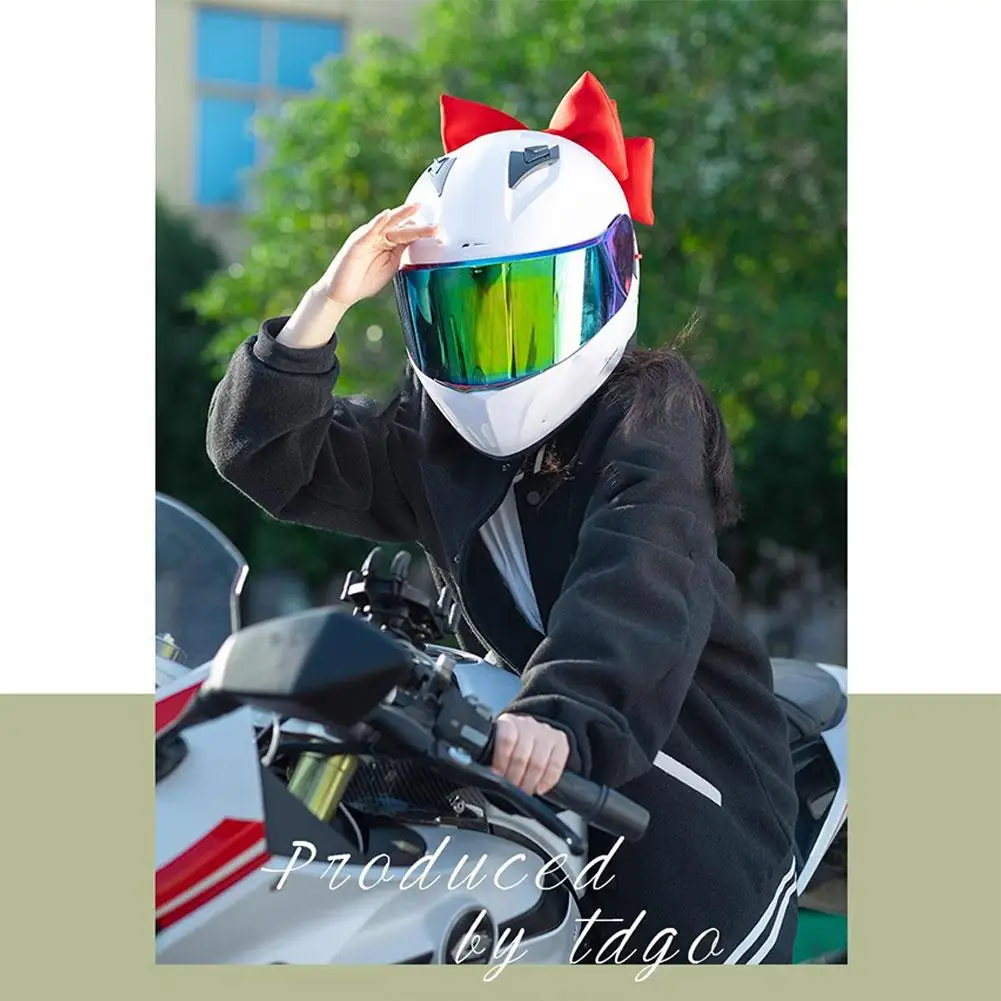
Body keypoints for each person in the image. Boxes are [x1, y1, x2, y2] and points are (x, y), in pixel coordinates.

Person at [206, 71, 800, 964]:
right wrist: (323, 306)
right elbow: (270, 456)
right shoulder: (432, 433)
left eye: (523, 311)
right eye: (460, 314)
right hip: (519, 770)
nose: (491, 349)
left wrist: (563, 713)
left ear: (610, 278)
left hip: (678, 775)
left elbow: (635, 574)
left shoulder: (651, 412)